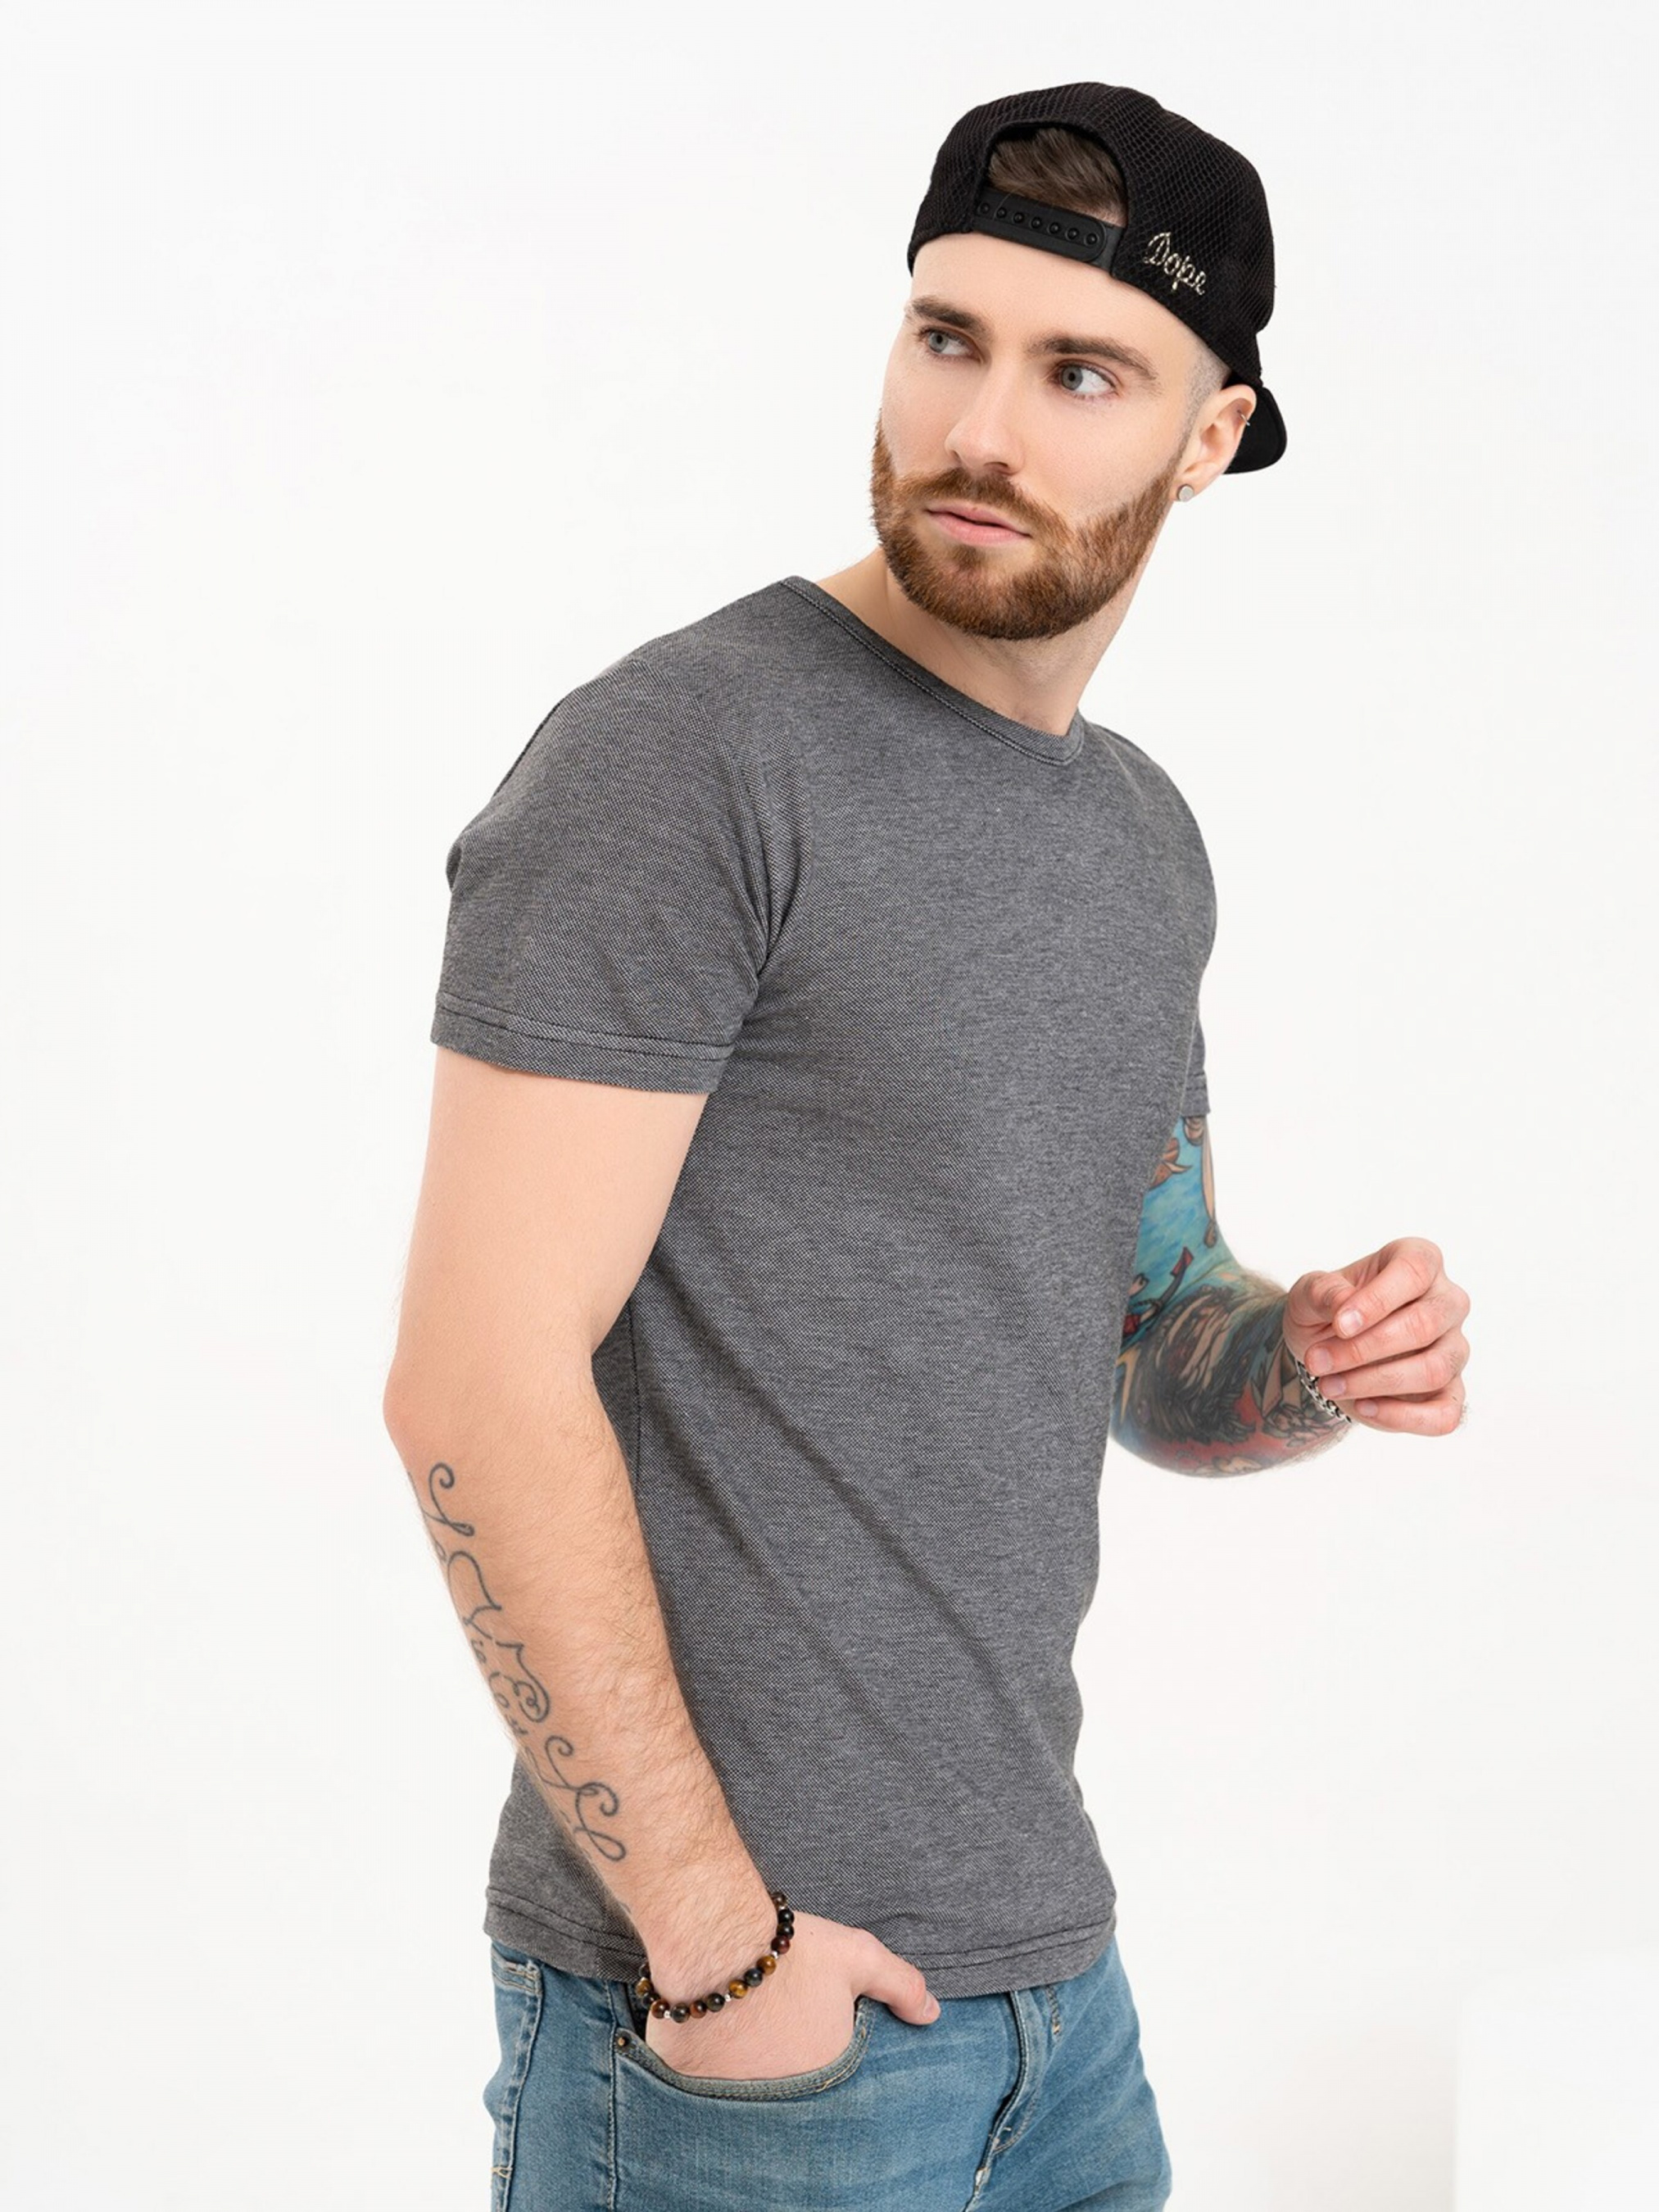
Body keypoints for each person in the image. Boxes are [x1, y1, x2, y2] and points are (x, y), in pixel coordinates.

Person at [383, 79, 1472, 2211]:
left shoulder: (1140, 842)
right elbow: (473, 1380)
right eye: (945, 338)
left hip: (1058, 2004)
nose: (979, 426)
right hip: (739, 2039)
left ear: (1210, 435)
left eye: (1082, 373)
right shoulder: (685, 760)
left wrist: (1314, 1352)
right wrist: (722, 1954)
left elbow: (1149, 1325)